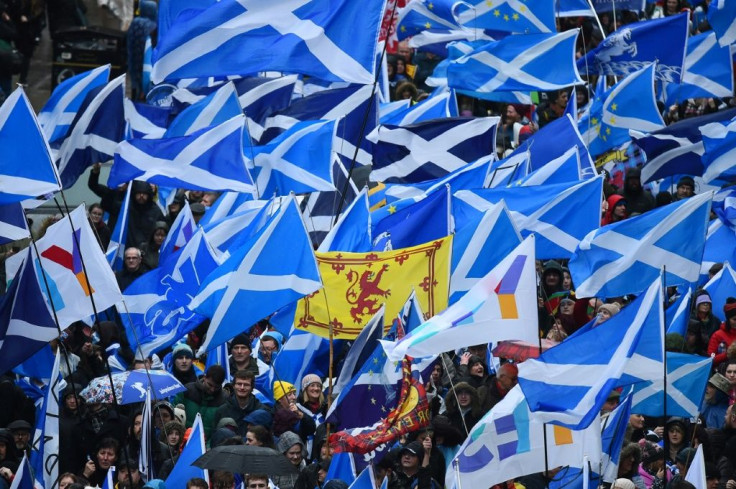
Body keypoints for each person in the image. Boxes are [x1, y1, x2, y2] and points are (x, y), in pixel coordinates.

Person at [174, 365, 228, 438]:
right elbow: (174, 416)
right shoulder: (186, 390)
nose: (212, 390)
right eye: (210, 385)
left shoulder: (224, 400)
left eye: (216, 387)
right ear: (205, 377)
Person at [213, 370, 266, 436]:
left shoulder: (261, 411)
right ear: (233, 386)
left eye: (246, 385)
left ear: (252, 388)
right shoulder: (222, 411)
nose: (242, 387)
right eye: (239, 384)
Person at [707, 298, 736, 367]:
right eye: (734, 319)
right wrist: (727, 354)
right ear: (728, 319)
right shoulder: (718, 335)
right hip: (724, 373)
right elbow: (710, 359)